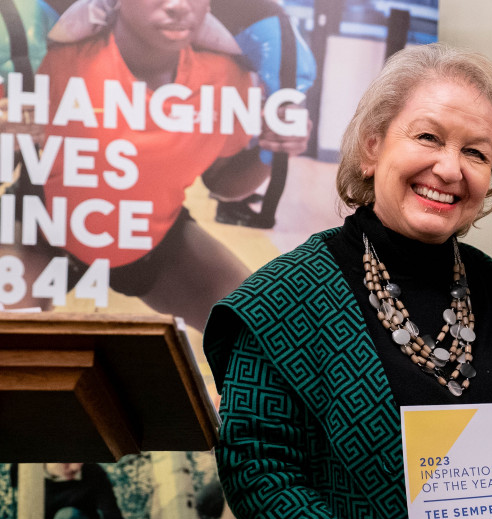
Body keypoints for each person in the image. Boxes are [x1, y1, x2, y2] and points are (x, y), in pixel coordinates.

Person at [204, 43, 492, 519]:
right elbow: (259, 471)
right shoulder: (283, 298)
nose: (450, 168)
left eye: (475, 152)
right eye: (428, 137)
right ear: (373, 146)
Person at [5, 0, 308, 328]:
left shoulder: (225, 77)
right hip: (43, 228)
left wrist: (272, 150)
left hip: (155, 237)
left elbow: (224, 186)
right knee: (10, 350)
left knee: (261, 331)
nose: (178, 6)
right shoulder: (57, 62)